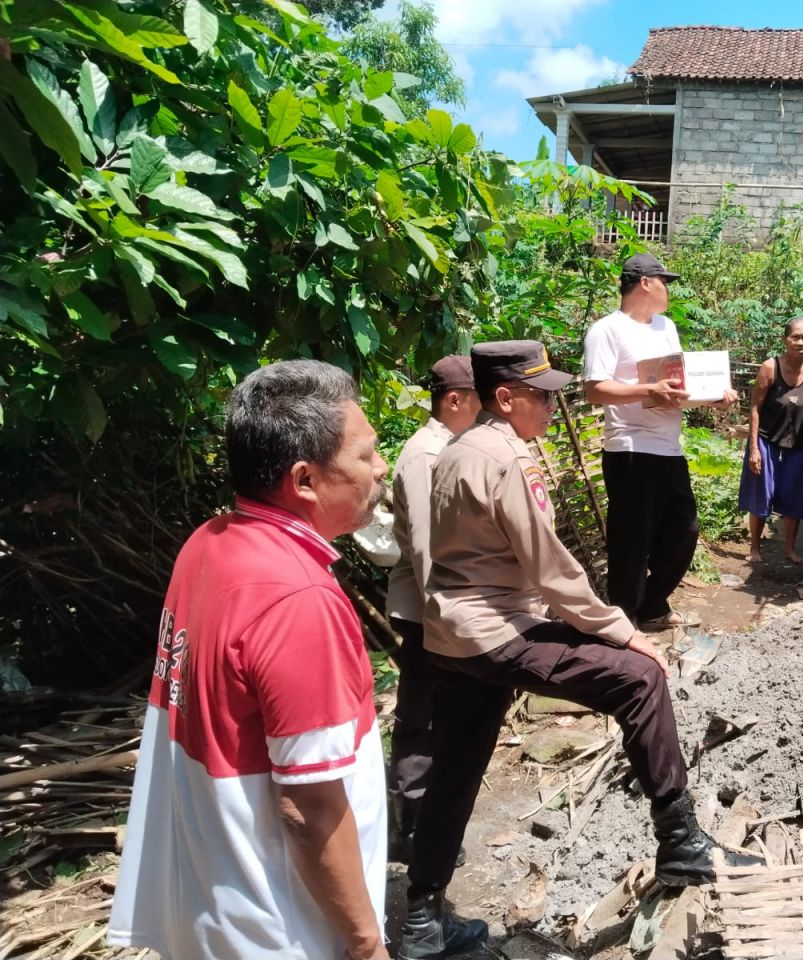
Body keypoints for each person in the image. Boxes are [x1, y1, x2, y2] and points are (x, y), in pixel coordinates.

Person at [396, 340, 758, 959]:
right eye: (540, 395)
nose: (550, 403)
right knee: (640, 677)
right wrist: (621, 629)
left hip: (453, 637)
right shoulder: (508, 456)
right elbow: (553, 571)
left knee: (455, 767)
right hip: (498, 630)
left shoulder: (455, 450)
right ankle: (681, 845)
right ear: (504, 398)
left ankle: (422, 923)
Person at [108, 360, 391, 960]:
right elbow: (308, 806)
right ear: (306, 480)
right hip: (285, 926)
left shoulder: (210, 543)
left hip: (216, 903)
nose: (381, 467)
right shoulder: (298, 601)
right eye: (366, 456)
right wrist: (367, 946)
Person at [583, 253, 736, 631]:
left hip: (669, 447)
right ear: (645, 283)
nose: (669, 288)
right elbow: (594, 389)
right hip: (631, 448)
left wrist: (712, 394)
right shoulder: (607, 330)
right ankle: (624, 620)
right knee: (631, 540)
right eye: (664, 281)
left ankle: (650, 605)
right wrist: (645, 389)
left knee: (684, 531)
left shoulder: (665, 327)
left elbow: (677, 383)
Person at [385, 356, 480, 864]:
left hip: (441, 605)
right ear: (454, 400)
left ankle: (425, 819)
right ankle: (413, 827)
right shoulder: (426, 455)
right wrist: (445, 616)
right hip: (428, 607)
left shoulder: (449, 448)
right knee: (422, 715)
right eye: (479, 398)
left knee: (438, 712)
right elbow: (425, 547)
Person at [739, 317, 803, 564]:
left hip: (795, 443)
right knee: (761, 492)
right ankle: (754, 548)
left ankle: (790, 549)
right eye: (795, 337)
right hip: (765, 439)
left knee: (793, 495)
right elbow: (754, 408)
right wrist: (754, 448)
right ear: (784, 340)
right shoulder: (770, 367)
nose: (800, 342)